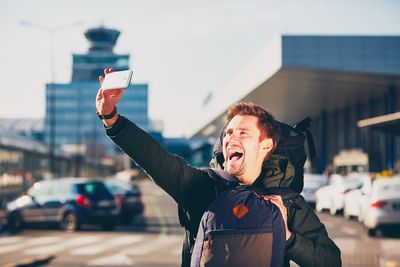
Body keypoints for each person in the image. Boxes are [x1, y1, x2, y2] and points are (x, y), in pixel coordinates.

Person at [96, 68, 341, 267]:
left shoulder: (286, 201)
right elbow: (155, 158)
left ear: (265, 146)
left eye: (243, 133)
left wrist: (288, 238)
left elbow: (331, 261)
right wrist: (111, 118)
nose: (231, 139)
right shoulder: (203, 186)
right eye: (228, 133)